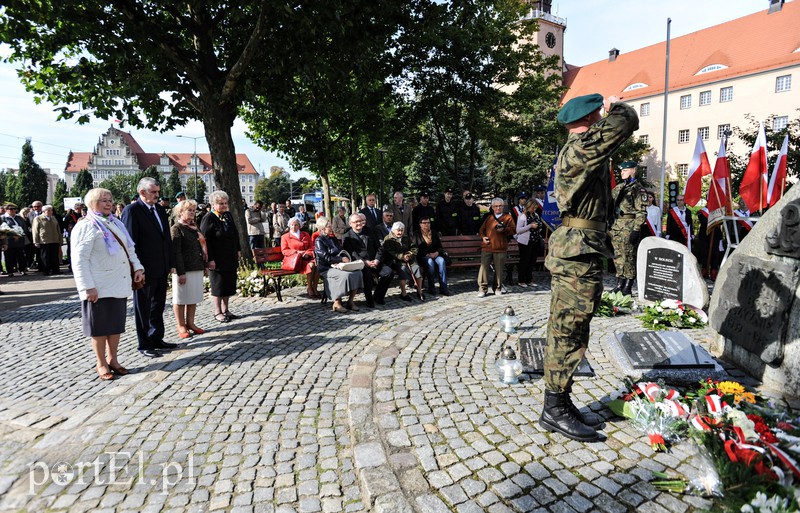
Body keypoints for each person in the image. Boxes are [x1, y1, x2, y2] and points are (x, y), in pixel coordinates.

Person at [541, 93, 638, 442]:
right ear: (592, 118)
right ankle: (554, 407)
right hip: (577, 250)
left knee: (574, 326)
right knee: (568, 327)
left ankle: (561, 401)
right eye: (599, 115)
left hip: (583, 247)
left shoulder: (580, 148)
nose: (603, 119)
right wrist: (616, 107)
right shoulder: (581, 147)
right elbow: (625, 122)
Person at [72, 188, 144, 380]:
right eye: (103, 200)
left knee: (115, 325)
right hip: (98, 285)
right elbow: (79, 260)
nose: (108, 203)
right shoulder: (86, 226)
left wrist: (137, 268)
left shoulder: (116, 222)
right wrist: (87, 286)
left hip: (117, 283)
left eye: (110, 199)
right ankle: (101, 362)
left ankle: (113, 359)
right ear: (91, 203)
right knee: (99, 328)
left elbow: (130, 249)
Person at [122, 177, 177, 358]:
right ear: (142, 192)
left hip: (161, 267)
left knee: (158, 305)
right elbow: (131, 243)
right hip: (144, 269)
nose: (157, 195)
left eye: (157, 191)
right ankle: (144, 343)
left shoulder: (159, 209)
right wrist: (136, 268)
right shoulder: (132, 211)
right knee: (143, 307)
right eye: (153, 192)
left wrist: (170, 263)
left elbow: (166, 239)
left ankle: (156, 337)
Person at [200, 191, 242, 323]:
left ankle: (226, 310)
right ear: (213, 204)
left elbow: (235, 233)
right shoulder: (209, 218)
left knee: (228, 283)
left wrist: (238, 249)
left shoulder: (228, 215)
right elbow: (205, 241)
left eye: (225, 203)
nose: (224, 206)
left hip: (229, 256)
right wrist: (209, 259)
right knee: (218, 285)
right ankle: (217, 311)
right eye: (221, 203)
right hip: (217, 258)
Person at [609, 161, 648, 296]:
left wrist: (636, 229)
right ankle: (619, 283)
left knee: (629, 256)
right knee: (618, 255)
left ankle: (628, 285)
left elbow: (641, 212)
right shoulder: (619, 188)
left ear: (633, 171)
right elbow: (608, 201)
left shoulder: (638, 189)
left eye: (625, 170)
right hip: (616, 226)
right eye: (621, 171)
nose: (622, 173)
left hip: (629, 226)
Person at [171, 199, 207, 339]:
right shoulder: (177, 228)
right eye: (189, 210)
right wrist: (181, 272)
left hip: (196, 266)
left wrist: (204, 265)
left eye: (193, 210)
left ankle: (191, 323)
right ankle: (181, 325)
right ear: (181, 212)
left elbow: (201, 247)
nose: (192, 212)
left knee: (193, 297)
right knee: (180, 299)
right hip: (183, 269)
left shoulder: (194, 227)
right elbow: (176, 252)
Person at [314, 216, 364, 313]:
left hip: (338, 265)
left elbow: (341, 250)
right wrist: (340, 259)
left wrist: (346, 258)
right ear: (322, 228)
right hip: (326, 268)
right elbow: (326, 258)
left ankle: (350, 301)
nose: (331, 227)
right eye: (328, 226)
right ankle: (337, 303)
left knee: (357, 273)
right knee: (344, 275)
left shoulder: (333, 239)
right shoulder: (319, 240)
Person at [342, 213, 386, 308]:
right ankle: (369, 300)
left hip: (374, 261)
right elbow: (352, 254)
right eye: (356, 222)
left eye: (360, 221)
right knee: (366, 273)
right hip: (360, 263)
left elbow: (379, 247)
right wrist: (364, 262)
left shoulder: (369, 231)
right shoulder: (347, 236)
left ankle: (378, 296)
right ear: (350, 224)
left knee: (388, 272)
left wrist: (377, 260)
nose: (359, 223)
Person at [477, 198, 516, 297]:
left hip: (500, 247)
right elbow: (481, 230)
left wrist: (504, 229)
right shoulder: (489, 218)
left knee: (499, 269)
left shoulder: (508, 218)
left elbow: (513, 230)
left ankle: (497, 288)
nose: (498, 208)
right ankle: (482, 288)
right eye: (496, 206)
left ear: (503, 207)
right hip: (487, 246)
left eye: (500, 206)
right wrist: (483, 237)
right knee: (484, 268)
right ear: (492, 207)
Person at [381, 222, 423, 301]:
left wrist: (409, 254)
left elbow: (414, 247)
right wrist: (401, 257)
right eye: (398, 230)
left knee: (417, 267)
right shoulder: (388, 239)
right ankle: (403, 293)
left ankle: (419, 291)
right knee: (403, 269)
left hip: (409, 260)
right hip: (395, 261)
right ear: (393, 230)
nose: (400, 232)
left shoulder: (406, 238)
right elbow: (389, 252)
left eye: (402, 230)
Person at [281, 217, 319, 299]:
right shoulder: (285, 237)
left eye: (296, 225)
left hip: (307, 257)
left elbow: (311, 246)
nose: (294, 227)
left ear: (299, 226)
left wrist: (307, 253)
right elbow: (284, 251)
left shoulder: (305, 234)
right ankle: (309, 288)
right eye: (292, 225)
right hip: (295, 260)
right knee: (311, 265)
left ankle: (315, 288)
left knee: (318, 265)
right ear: (289, 226)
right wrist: (297, 252)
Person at [412, 217, 451, 296]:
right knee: (430, 262)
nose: (427, 224)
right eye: (424, 223)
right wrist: (426, 255)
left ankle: (443, 288)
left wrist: (436, 252)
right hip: (423, 256)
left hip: (435, 254)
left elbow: (440, 247)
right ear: (420, 224)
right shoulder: (416, 234)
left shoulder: (434, 233)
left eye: (428, 223)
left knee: (441, 261)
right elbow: (415, 249)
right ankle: (431, 287)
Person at [515, 199, 541, 288]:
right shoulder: (522, 216)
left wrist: (538, 227)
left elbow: (539, 224)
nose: (534, 210)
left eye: (535, 208)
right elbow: (518, 230)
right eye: (533, 208)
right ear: (528, 207)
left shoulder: (536, 215)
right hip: (525, 242)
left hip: (535, 240)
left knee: (532, 261)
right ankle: (521, 280)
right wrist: (530, 226)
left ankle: (529, 280)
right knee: (524, 261)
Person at [32, 204, 62, 275]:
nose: (50, 212)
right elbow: (35, 230)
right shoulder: (38, 218)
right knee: (45, 257)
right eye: (48, 210)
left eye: (51, 210)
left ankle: (55, 270)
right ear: (43, 211)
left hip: (54, 240)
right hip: (44, 241)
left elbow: (58, 229)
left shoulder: (53, 218)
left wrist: (60, 239)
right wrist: (36, 241)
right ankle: (46, 270)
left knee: (54, 256)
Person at [2, 203, 27, 276]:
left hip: (20, 240)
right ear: (6, 210)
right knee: (9, 256)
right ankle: (10, 271)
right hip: (9, 241)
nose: (14, 210)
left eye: (15, 209)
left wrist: (19, 235)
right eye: (11, 209)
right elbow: (3, 229)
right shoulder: (3, 218)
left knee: (21, 256)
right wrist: (12, 235)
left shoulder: (18, 218)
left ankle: (22, 269)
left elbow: (24, 227)